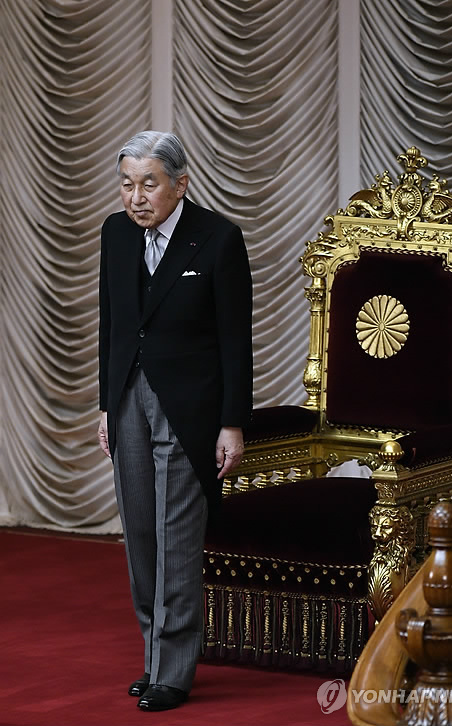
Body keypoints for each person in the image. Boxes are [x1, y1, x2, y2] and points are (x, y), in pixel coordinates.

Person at [97, 131, 253, 712]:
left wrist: (232, 422)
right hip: (127, 399)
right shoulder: (115, 234)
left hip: (191, 408)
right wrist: (105, 405)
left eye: (149, 184)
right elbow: (110, 325)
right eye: (127, 183)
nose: (136, 197)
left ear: (180, 184)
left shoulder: (217, 240)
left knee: (175, 536)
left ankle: (175, 670)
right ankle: (154, 656)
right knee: (139, 532)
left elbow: (237, 342)